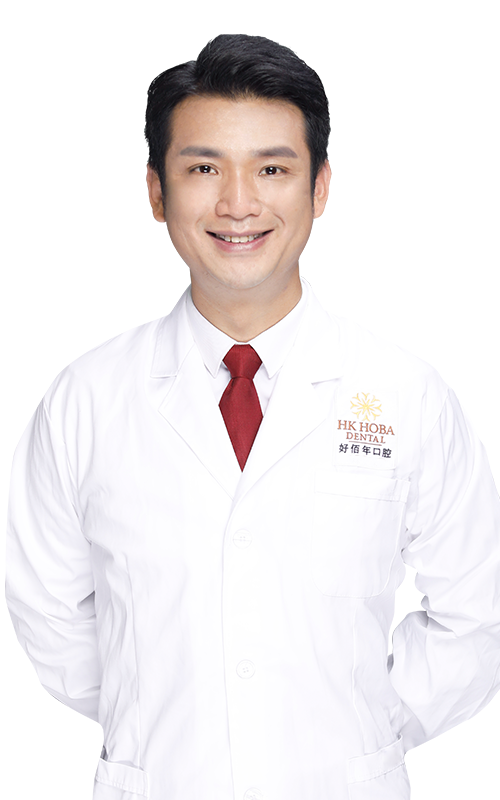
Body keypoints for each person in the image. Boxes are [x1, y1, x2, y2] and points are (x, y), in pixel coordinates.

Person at [6, 33, 500, 800]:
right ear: (157, 192)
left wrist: (361, 722)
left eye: (272, 169)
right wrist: (159, 708)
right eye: (204, 168)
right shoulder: (90, 400)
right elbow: (48, 611)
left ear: (321, 188)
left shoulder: (405, 396)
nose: (238, 203)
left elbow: (471, 610)